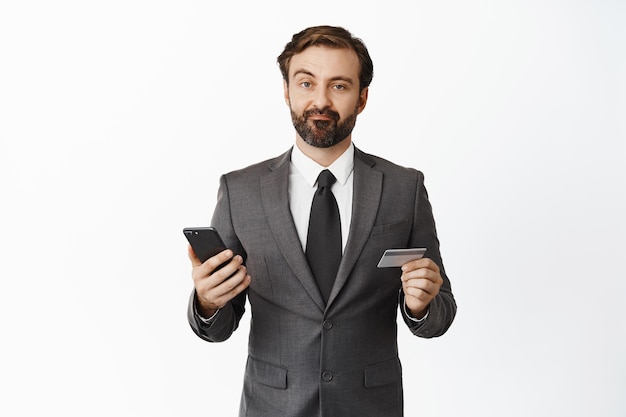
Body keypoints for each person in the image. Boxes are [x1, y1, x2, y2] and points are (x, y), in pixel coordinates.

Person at [187, 25, 456, 417]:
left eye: (339, 86)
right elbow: (219, 326)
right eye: (306, 83)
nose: (321, 100)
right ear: (286, 91)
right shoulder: (239, 191)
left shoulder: (405, 189)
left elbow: (440, 312)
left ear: (362, 98)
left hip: (370, 406)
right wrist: (209, 301)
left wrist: (421, 307)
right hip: (271, 405)